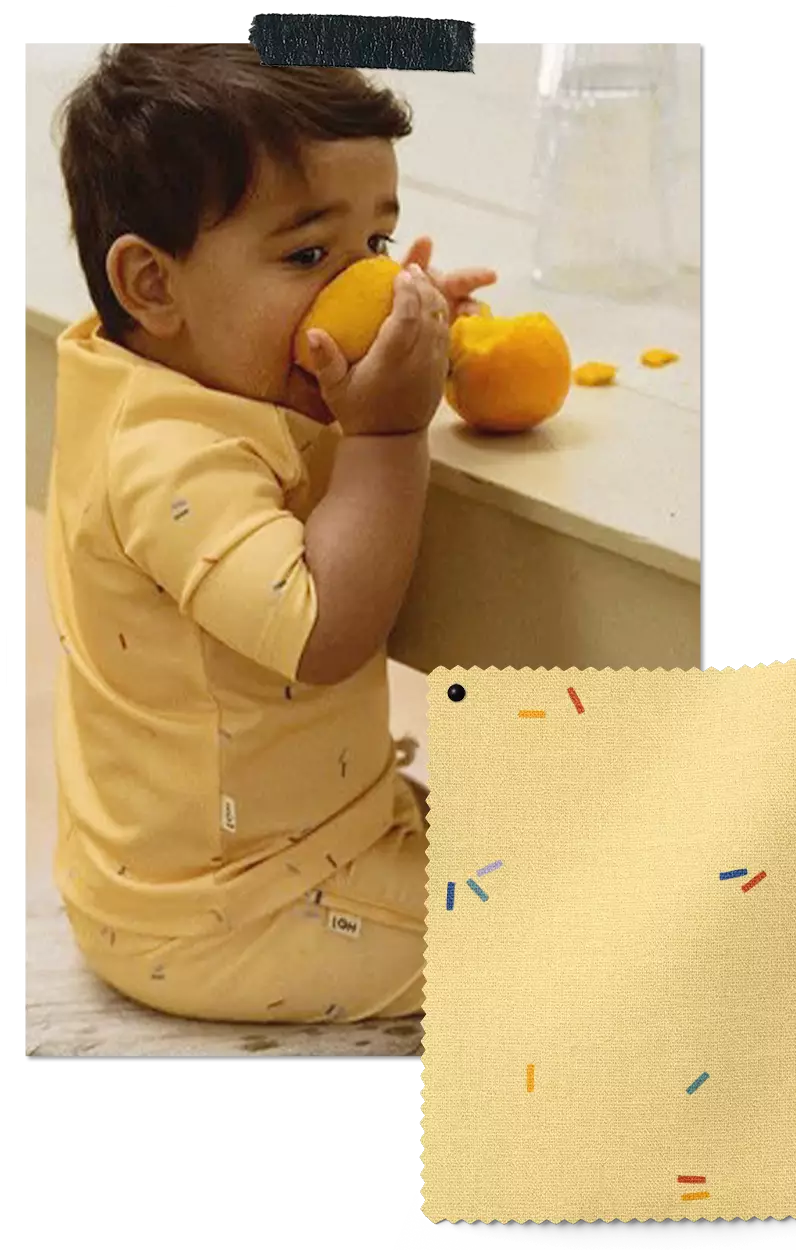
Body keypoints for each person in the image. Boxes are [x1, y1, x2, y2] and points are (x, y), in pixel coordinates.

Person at [45, 41, 496, 1023]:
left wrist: (399, 342)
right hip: (233, 909)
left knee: (528, 831)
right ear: (152, 286)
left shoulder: (165, 366)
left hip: (255, 842)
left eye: (375, 250)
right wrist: (385, 426)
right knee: (543, 941)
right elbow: (327, 633)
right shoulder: (166, 458)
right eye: (306, 257)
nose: (354, 289)